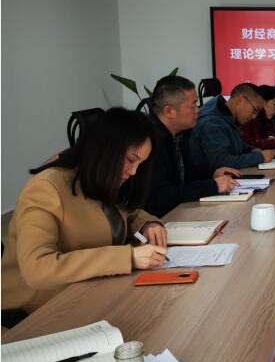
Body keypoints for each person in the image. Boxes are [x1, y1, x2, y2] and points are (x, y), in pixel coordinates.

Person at [1, 108, 168, 326]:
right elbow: (37, 269)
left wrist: (148, 224)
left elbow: (125, 212)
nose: (134, 171)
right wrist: (128, 257)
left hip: (86, 296)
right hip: (34, 314)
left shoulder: (100, 174)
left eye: (140, 164)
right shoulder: (46, 188)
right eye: (131, 159)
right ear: (107, 149)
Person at [144, 76, 241, 217]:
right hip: (160, 221)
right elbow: (159, 196)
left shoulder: (180, 133)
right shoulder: (148, 142)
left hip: (181, 212)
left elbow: (187, 176)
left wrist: (212, 174)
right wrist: (213, 186)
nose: (198, 110)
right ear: (169, 111)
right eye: (193, 106)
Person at [190, 82, 274, 171]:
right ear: (240, 100)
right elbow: (220, 162)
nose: (254, 117)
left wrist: (251, 150)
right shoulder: (212, 122)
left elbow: (235, 146)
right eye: (255, 110)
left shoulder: (228, 116)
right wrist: (259, 157)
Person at [242, 85, 275, 150]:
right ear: (263, 102)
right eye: (274, 104)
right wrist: (272, 142)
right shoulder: (246, 119)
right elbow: (245, 143)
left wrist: (270, 139)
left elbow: (269, 135)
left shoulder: (263, 120)